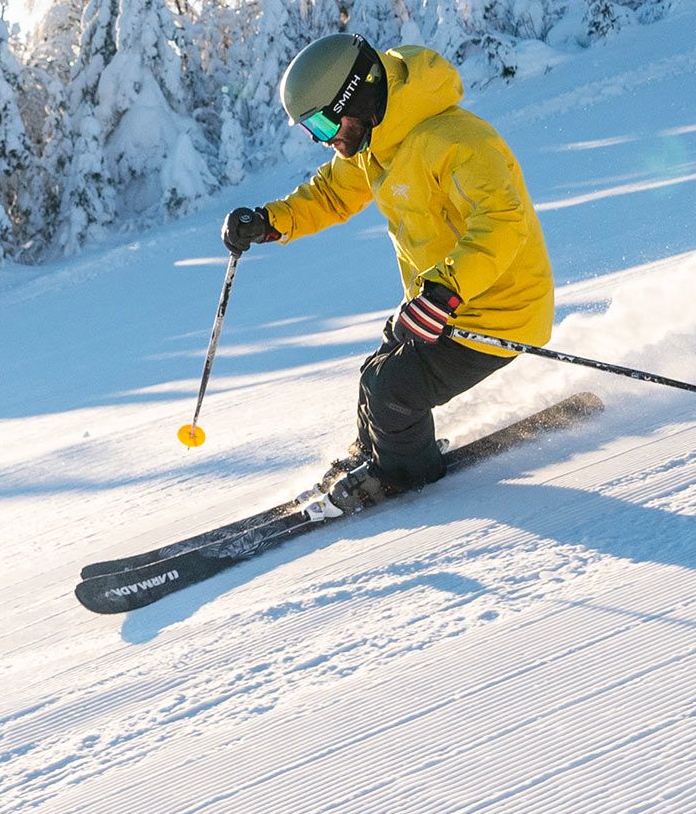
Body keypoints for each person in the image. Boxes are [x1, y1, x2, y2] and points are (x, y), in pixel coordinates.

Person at [221, 31, 555, 508]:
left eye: (321, 123)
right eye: (311, 131)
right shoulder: (376, 141)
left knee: (393, 388)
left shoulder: (458, 142)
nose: (324, 140)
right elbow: (330, 194)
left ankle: (402, 476)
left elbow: (502, 223)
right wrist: (270, 222)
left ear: (355, 95)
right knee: (377, 369)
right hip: (443, 303)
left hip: (499, 310)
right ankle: (374, 452)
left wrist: (445, 291)